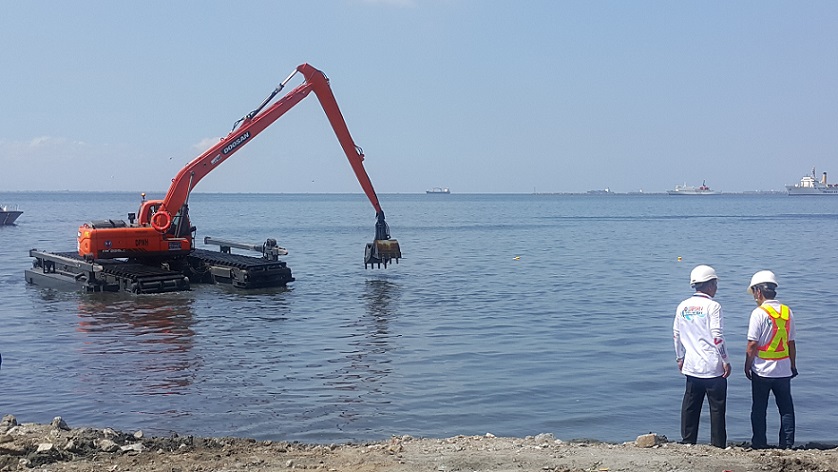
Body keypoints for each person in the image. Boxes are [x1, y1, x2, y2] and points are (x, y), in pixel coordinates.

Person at [673, 265, 731, 448]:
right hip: (712, 366)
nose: (716, 287)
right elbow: (717, 337)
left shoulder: (682, 305)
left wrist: (679, 358)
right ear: (709, 285)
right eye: (715, 283)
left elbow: (676, 334)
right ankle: (718, 444)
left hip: (691, 364)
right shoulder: (713, 306)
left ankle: (688, 441)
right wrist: (725, 361)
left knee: (690, 405)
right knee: (717, 407)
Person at [744, 270, 797, 449]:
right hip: (783, 370)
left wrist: (747, 366)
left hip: (762, 370)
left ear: (759, 291)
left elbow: (752, 345)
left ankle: (759, 444)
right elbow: (791, 343)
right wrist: (792, 365)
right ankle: (787, 445)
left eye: (754, 293)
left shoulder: (758, 313)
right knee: (786, 410)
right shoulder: (787, 312)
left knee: (759, 409)